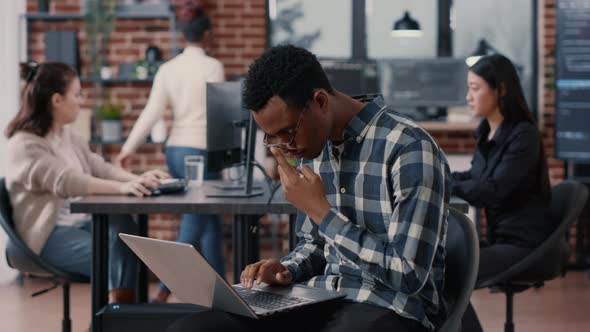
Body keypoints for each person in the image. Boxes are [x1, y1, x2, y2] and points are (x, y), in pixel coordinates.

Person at [167, 45, 451, 332]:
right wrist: (287, 269)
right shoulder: (313, 147)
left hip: (392, 307)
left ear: (320, 101)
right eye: (272, 136)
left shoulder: (409, 147)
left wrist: (322, 212)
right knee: (194, 328)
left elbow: (409, 275)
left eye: (288, 132)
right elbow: (315, 246)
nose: (285, 146)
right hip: (324, 299)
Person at [5, 61, 170, 303]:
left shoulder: (67, 135)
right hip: (47, 236)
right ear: (57, 100)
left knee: (125, 232)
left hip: (79, 222)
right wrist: (122, 188)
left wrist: (137, 179)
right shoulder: (24, 144)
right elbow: (67, 181)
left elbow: (98, 167)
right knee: (113, 256)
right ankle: (117, 318)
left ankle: (118, 316)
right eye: (77, 94)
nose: (82, 101)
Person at [114, 12, 226, 302]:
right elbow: (219, 116)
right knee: (197, 217)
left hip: (176, 150)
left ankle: (222, 291)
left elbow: (151, 113)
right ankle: (165, 289)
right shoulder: (213, 66)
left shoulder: (168, 68)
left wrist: (128, 149)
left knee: (210, 220)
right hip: (202, 151)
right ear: (207, 35)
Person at [454, 54, 553, 331]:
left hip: (523, 245)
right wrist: (439, 176)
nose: (468, 97)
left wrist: (448, 185)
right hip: (498, 240)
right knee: (439, 262)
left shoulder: (524, 136)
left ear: (501, 90)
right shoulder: (486, 132)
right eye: (468, 89)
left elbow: (492, 191)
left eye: (475, 88)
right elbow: (474, 178)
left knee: (448, 274)